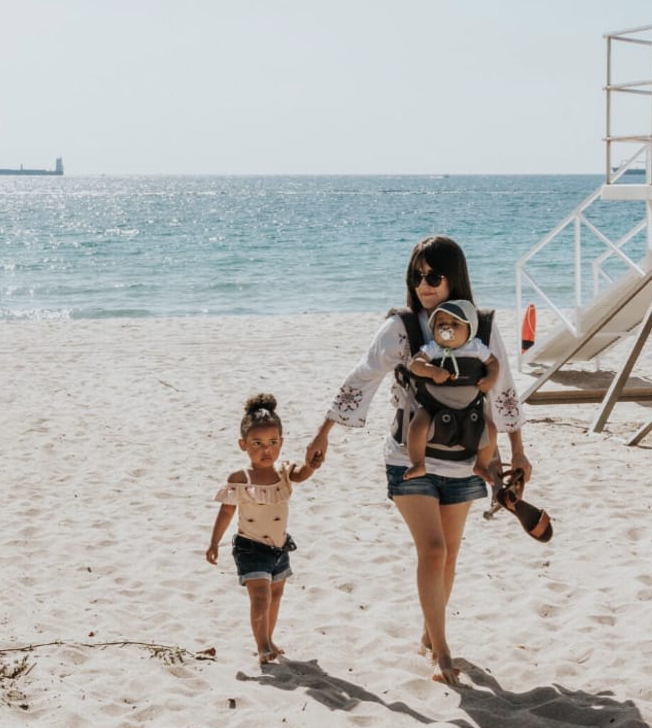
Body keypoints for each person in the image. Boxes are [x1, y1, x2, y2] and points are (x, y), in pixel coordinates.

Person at [306, 236, 530, 686]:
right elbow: (363, 375)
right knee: (432, 550)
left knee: (449, 557)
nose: (423, 284)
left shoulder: (483, 329)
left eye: (433, 276)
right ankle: (442, 651)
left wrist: (518, 452)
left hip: (466, 459)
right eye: (417, 276)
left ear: (455, 278)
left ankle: (431, 634)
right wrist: (323, 433)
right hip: (410, 458)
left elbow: (501, 389)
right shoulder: (404, 328)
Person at [207, 393, 317, 666]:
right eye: (257, 444)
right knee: (260, 595)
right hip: (250, 547)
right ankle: (262, 645)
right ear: (243, 445)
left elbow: (301, 475)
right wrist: (213, 543)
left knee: (276, 595)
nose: (266, 450)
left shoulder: (283, 472)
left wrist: (311, 465)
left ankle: (268, 637)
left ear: (281, 443)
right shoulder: (240, 479)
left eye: (272, 443)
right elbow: (226, 512)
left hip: (280, 547)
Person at [403, 298, 499, 483]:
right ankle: (418, 463)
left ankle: (481, 464)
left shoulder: (476, 347)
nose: (448, 328)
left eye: (455, 323)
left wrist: (490, 379)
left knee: (491, 430)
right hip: (434, 405)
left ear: (470, 328)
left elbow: (493, 363)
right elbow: (414, 364)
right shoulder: (434, 348)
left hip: (470, 407)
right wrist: (431, 371)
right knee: (417, 426)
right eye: (441, 324)